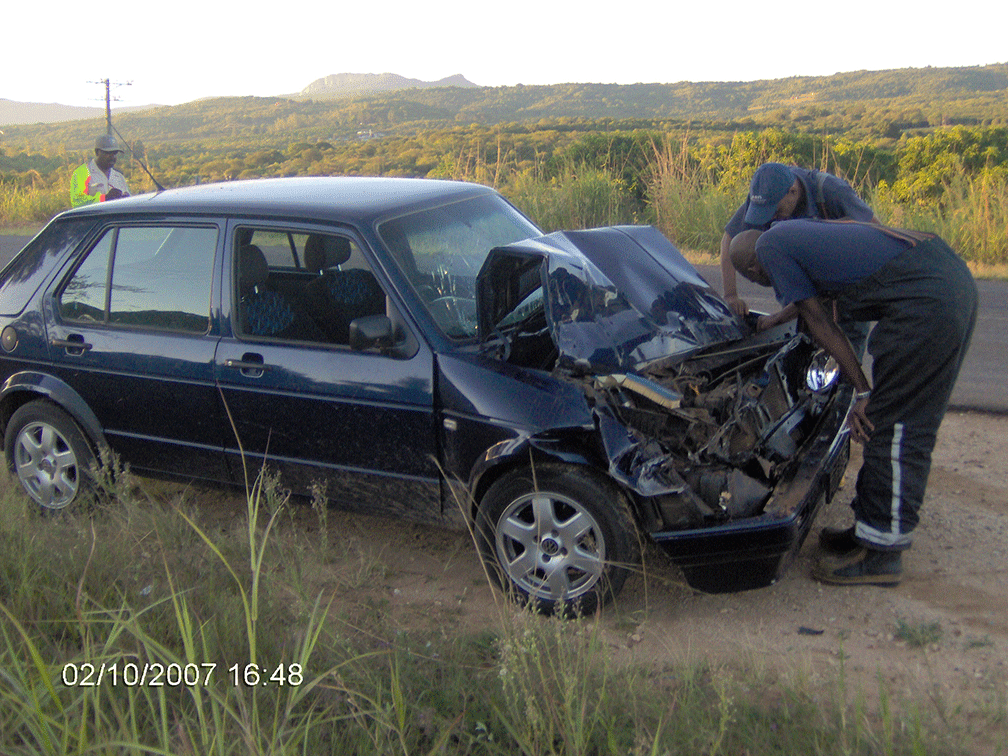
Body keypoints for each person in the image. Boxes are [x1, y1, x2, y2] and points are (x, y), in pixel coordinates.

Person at [729, 220, 977, 586]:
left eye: (756, 279)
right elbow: (820, 298)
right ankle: (869, 530)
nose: (766, 283)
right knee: (893, 421)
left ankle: (881, 554)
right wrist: (779, 319)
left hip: (928, 301)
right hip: (942, 275)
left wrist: (860, 391)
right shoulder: (792, 234)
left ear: (752, 268)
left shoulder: (768, 250)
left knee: (894, 425)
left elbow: (820, 323)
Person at [70, 134, 131, 208]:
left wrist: (126, 199)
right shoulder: (82, 173)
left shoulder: (119, 177)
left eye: (115, 153)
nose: (112, 157)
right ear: (97, 152)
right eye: (108, 153)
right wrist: (104, 198)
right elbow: (78, 203)